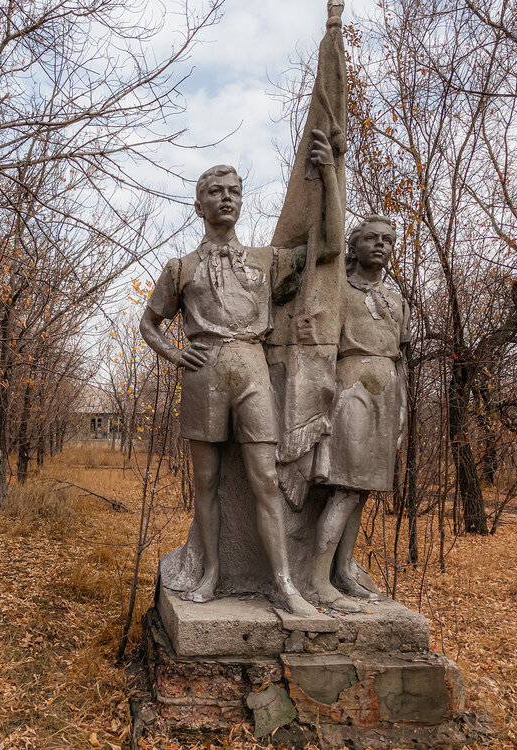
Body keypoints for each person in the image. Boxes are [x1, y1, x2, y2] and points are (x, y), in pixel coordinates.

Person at [140, 130, 340, 617]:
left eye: (233, 191)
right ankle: (211, 573)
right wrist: (171, 353)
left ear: (242, 202)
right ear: (198, 204)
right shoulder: (180, 267)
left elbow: (331, 244)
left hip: (252, 369)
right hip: (203, 372)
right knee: (205, 484)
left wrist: (330, 174)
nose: (225, 198)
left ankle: (283, 583)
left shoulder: (266, 261)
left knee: (265, 481)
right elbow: (148, 322)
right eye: (215, 191)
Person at [311, 216, 409, 610]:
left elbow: (400, 358)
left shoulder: (396, 298)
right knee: (345, 489)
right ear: (354, 245)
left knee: (363, 490)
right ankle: (318, 580)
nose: (381, 245)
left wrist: (402, 409)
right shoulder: (338, 289)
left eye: (387, 239)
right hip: (350, 389)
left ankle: (343, 571)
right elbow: (318, 347)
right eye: (372, 238)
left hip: (388, 393)